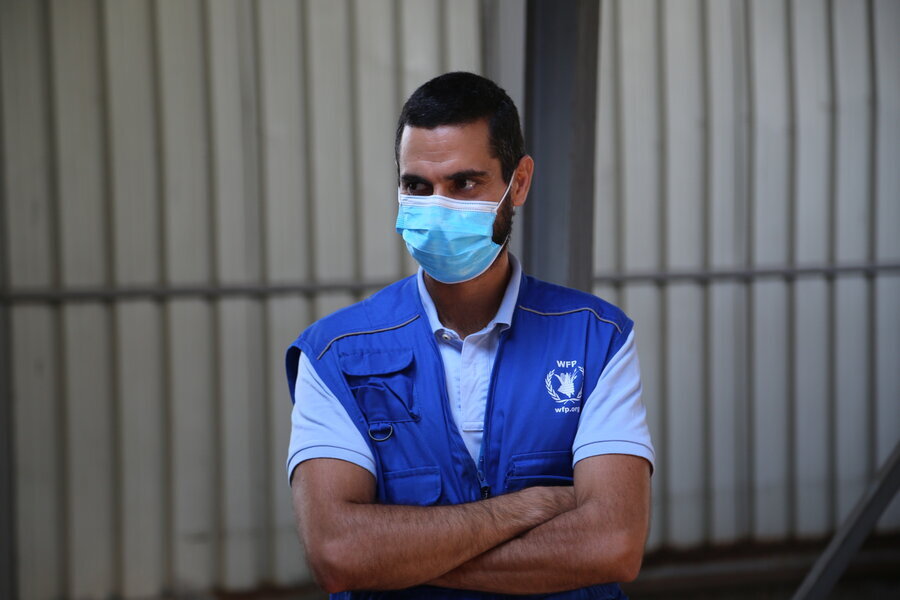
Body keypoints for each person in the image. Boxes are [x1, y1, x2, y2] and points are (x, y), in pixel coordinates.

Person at [285, 72, 654, 599]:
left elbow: (612, 545)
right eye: (417, 186)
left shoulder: (596, 340)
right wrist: (529, 507)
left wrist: (397, 556)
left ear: (518, 183)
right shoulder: (334, 355)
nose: (437, 208)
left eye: (463, 183)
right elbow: (338, 554)